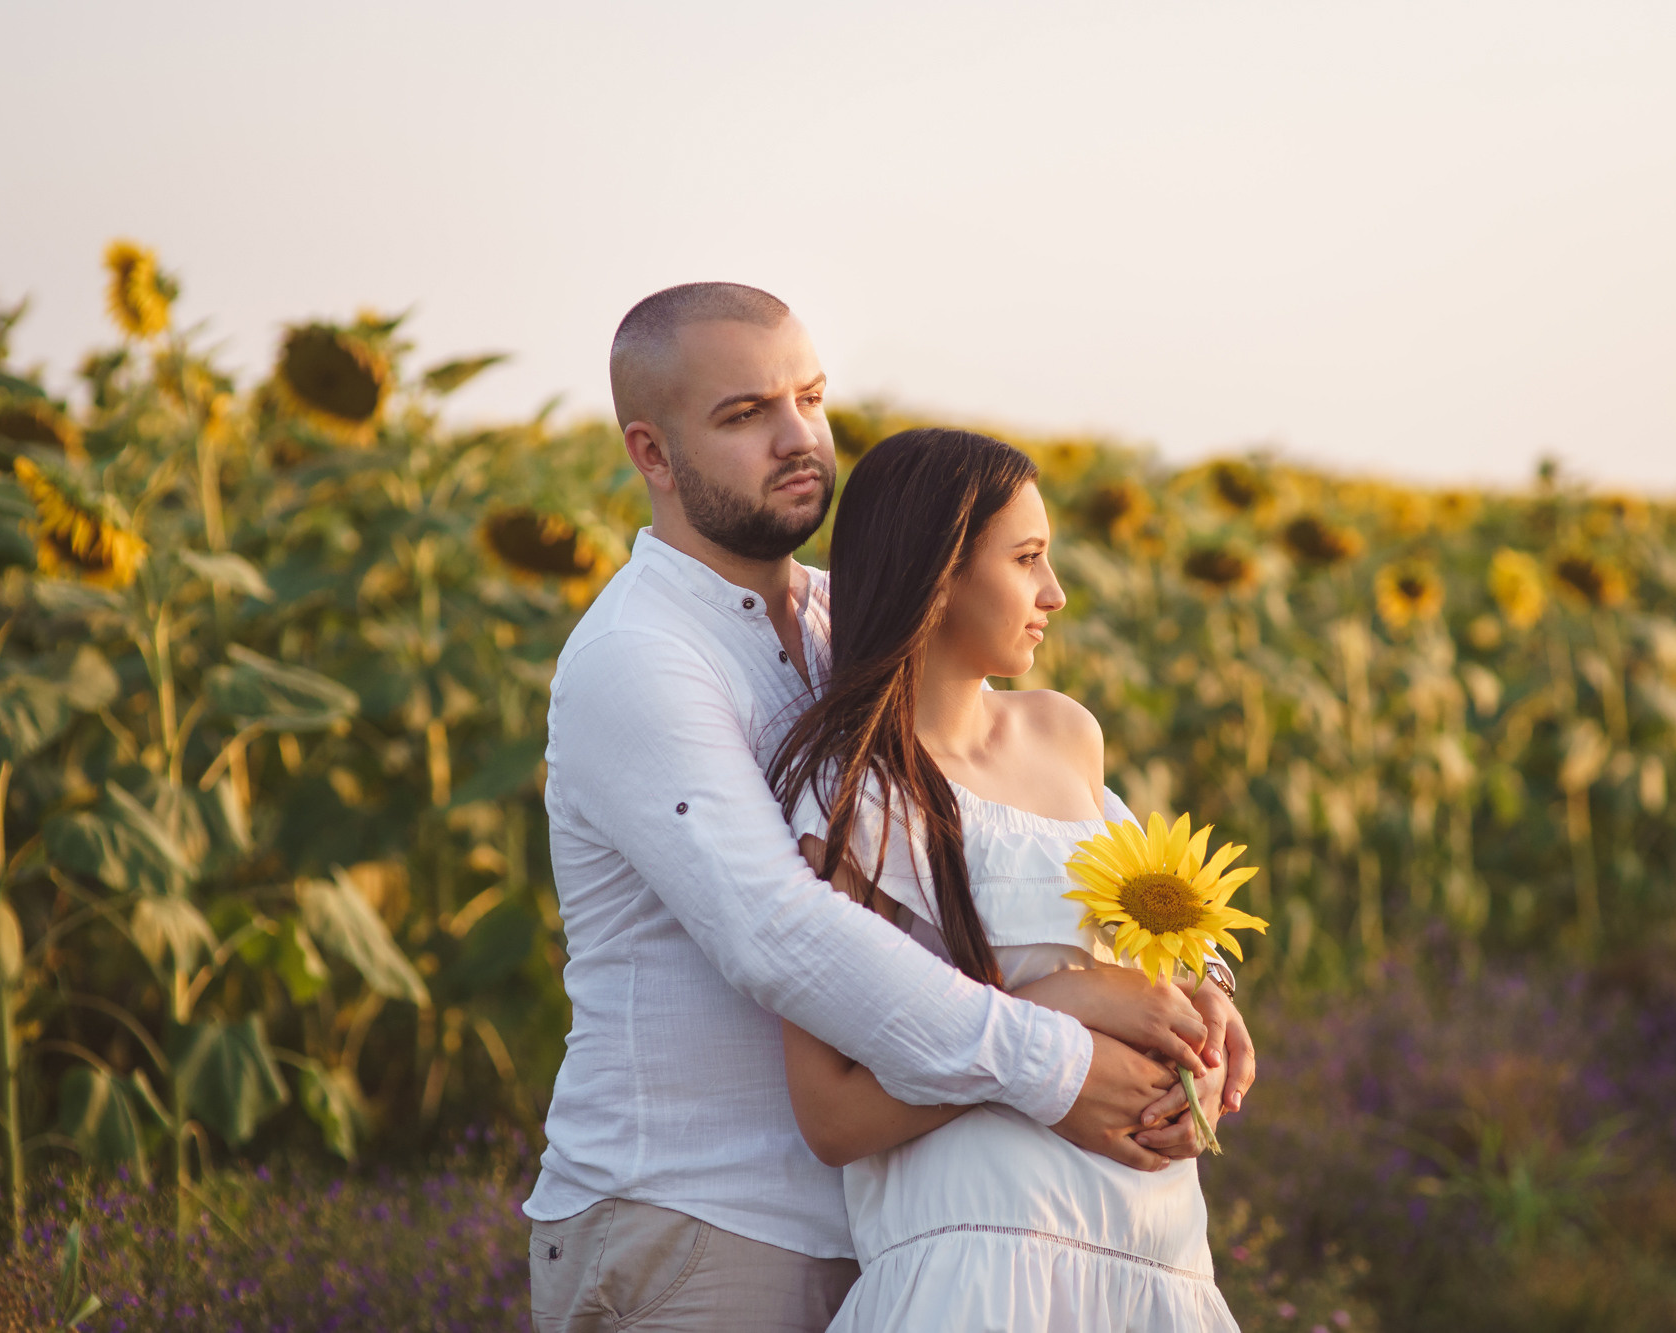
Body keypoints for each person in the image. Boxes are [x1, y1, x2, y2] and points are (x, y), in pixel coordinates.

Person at [524, 283, 1255, 1332]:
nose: (797, 439)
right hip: (700, 1218)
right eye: (743, 415)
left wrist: (1198, 986)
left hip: (893, 1220)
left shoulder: (845, 626)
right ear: (651, 453)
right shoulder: (640, 659)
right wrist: (1056, 1047)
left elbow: (1074, 832)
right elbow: (775, 931)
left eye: (809, 399)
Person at [770, 428, 1240, 1331]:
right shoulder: (855, 794)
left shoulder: (1067, 734)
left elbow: (1154, 934)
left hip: (1159, 1252)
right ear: (936, 571)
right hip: (977, 1262)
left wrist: (1209, 1007)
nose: (1054, 594)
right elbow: (830, 1112)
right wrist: (1057, 1009)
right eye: (1027, 559)